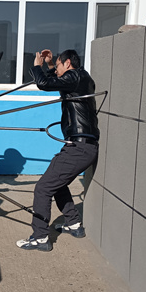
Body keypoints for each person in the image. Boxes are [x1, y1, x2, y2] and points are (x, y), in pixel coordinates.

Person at [16, 49, 99, 252]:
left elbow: (44, 83)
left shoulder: (75, 76)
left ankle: (40, 237)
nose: (57, 69)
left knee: (43, 188)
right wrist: (51, 64)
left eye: (59, 65)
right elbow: (57, 81)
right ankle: (74, 223)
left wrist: (37, 65)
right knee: (57, 184)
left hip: (79, 147)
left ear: (68, 63)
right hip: (81, 146)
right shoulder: (80, 78)